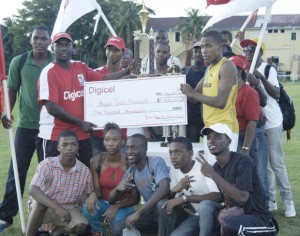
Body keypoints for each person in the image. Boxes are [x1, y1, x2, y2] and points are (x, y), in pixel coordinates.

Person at [36, 32, 134, 168]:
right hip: (57, 137)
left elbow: (103, 79)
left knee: (84, 178)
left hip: (81, 136)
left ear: (72, 48)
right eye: (59, 45)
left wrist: (126, 71)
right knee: (52, 179)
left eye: (67, 44)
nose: (63, 48)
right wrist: (80, 122)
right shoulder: (49, 72)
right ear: (52, 48)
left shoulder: (80, 67)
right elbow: (51, 107)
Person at [0, 25, 54, 232]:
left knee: (47, 175)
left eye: (43, 38)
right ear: (31, 40)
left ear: (49, 41)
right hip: (25, 126)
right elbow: (12, 89)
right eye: (36, 38)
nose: (39, 42)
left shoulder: (55, 61)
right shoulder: (19, 62)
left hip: (49, 128)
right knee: (16, 172)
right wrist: (8, 112)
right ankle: (6, 215)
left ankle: (46, 217)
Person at [240, 38, 296, 217]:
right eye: (246, 50)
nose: (248, 52)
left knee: (276, 163)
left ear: (260, 52)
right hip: (256, 123)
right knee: (265, 167)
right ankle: (271, 200)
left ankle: (288, 201)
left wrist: (260, 77)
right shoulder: (244, 70)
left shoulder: (267, 69)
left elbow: (276, 94)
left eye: (252, 49)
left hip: (272, 121)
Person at [197, 123, 279, 235]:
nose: (211, 140)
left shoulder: (243, 161)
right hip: (234, 216)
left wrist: (212, 174)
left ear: (228, 141)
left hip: (259, 219)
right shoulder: (216, 167)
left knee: (231, 225)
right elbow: (225, 195)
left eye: (217, 137)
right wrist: (185, 198)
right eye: (209, 137)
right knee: (206, 206)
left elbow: (242, 198)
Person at [180, 30, 239, 160]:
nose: (204, 51)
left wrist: (193, 94)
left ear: (220, 46)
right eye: (202, 47)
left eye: (208, 46)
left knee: (222, 175)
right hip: (210, 129)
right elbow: (193, 98)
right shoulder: (209, 69)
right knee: (212, 176)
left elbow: (220, 102)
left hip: (224, 129)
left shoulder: (227, 66)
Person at [25, 130, 93, 236]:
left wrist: (88, 196)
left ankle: (57, 230)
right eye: (64, 145)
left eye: (73, 144)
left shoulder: (85, 171)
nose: (69, 148)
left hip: (69, 208)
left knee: (82, 227)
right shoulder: (47, 164)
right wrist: (57, 208)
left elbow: (89, 193)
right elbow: (33, 189)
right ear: (58, 148)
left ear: (78, 146)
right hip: (46, 206)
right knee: (40, 204)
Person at [82, 123, 139, 236]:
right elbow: (98, 191)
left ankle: (114, 224)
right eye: (107, 140)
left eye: (115, 139)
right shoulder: (96, 161)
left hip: (124, 205)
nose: (110, 143)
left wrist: (116, 206)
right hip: (103, 202)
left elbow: (135, 199)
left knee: (118, 228)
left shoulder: (130, 163)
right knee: (86, 207)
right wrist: (93, 194)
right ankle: (97, 231)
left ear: (123, 141)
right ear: (103, 141)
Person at [109, 134, 171, 236]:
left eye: (134, 148)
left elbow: (164, 189)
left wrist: (139, 212)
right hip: (149, 211)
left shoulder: (155, 162)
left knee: (161, 204)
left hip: (167, 210)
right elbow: (112, 200)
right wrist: (118, 189)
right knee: (118, 228)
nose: (129, 151)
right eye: (127, 148)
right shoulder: (131, 171)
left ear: (145, 149)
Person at [162, 136, 220, 236]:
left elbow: (217, 196)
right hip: (196, 215)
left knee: (204, 205)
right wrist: (176, 189)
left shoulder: (203, 167)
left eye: (178, 152)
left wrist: (184, 198)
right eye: (171, 152)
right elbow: (169, 198)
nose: (173, 156)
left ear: (190, 153)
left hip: (215, 213)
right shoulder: (174, 169)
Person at [90, 36, 128, 156]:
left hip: (120, 134)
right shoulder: (95, 73)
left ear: (123, 52)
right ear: (105, 51)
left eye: (116, 50)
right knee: (97, 169)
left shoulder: (130, 77)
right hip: (98, 134)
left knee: (120, 170)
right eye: (109, 49)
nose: (112, 53)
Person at [182, 41, 207, 142]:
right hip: (190, 120)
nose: (198, 54)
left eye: (200, 51)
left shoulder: (209, 71)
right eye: (195, 51)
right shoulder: (185, 71)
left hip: (205, 119)